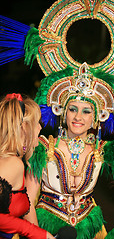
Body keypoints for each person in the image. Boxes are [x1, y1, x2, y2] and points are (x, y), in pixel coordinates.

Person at [25, 63, 114, 239]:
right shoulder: (43, 148)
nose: (78, 117)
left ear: (95, 118)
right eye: (73, 109)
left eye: (86, 111)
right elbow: (28, 201)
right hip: (47, 229)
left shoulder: (101, 150)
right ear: (63, 113)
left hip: (89, 230)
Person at [0, 93, 56, 239]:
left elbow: (23, 205)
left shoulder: (15, 160)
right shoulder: (13, 163)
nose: (40, 127)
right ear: (25, 128)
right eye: (37, 122)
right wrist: (38, 233)